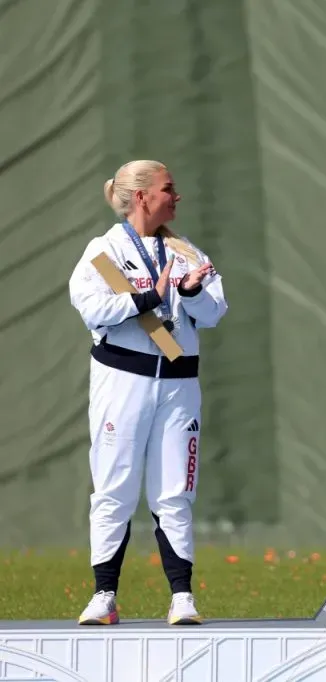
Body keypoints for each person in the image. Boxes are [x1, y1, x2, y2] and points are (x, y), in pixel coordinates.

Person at [68, 159, 228, 625]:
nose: (177, 197)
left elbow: (216, 311)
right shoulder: (105, 251)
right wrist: (146, 298)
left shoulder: (186, 252)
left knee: (175, 490)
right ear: (141, 197)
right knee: (114, 487)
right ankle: (104, 595)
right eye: (168, 189)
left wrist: (193, 292)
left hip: (179, 383)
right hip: (123, 380)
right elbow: (90, 306)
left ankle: (182, 597)